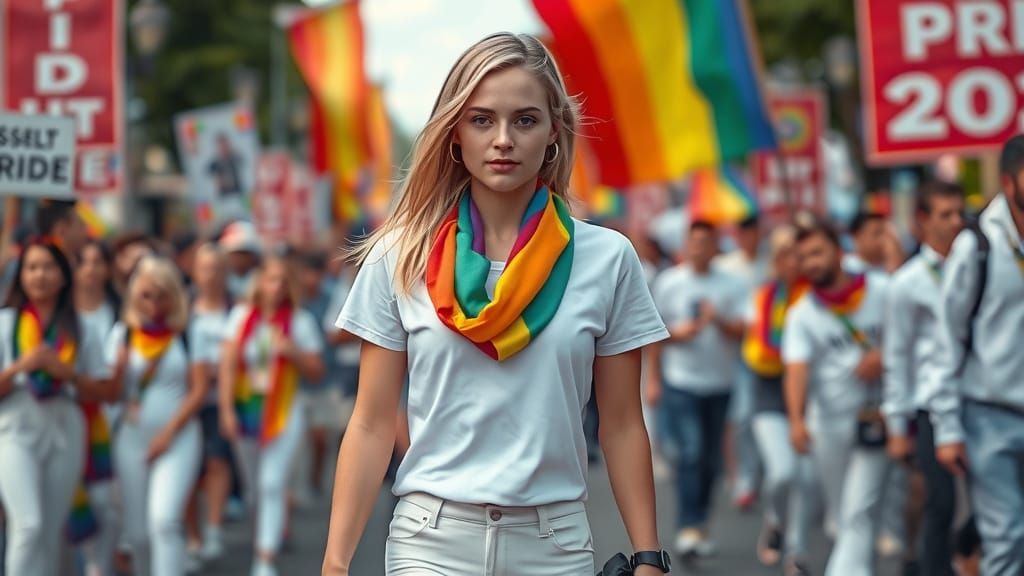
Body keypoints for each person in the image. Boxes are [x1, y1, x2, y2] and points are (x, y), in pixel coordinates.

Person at [322, 33, 669, 576]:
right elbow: (369, 422)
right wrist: (336, 562)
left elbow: (623, 423)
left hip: (555, 544)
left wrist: (648, 556)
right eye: (482, 119)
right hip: (428, 541)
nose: (503, 139)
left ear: (554, 130)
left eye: (525, 120)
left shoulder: (608, 258)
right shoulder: (400, 254)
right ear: (454, 133)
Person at [930, 134, 1024, 576]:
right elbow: (945, 341)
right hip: (990, 417)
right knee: (1004, 537)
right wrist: (947, 427)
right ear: (1008, 183)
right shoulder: (978, 246)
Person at [783, 221, 890, 576]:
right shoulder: (801, 313)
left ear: (839, 252)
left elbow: (914, 340)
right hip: (828, 427)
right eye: (803, 258)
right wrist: (797, 421)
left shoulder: (883, 290)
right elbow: (796, 370)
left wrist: (884, 356)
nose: (810, 263)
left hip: (879, 420)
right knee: (845, 516)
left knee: (859, 509)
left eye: (817, 252)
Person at [0, 237, 108, 576]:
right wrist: (21, 366)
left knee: (50, 531)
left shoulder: (81, 327)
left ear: (63, 276)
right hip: (15, 426)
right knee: (28, 524)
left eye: (48, 267)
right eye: (31, 268)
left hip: (64, 425)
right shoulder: (6, 323)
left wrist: (68, 374)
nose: (39, 276)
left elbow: (102, 389)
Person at [219, 255, 324, 576]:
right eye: (270, 279)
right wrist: (226, 411)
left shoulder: (300, 321)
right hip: (247, 407)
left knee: (272, 482)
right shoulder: (240, 317)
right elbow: (227, 365)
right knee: (253, 487)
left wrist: (292, 352)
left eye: (281, 280)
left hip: (284, 409)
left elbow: (317, 371)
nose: (275, 287)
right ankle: (263, 536)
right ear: (260, 282)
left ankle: (264, 559)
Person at [882, 180, 964, 576]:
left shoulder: (977, 267)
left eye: (958, 213)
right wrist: (897, 424)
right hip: (930, 405)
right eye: (944, 214)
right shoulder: (907, 283)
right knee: (940, 502)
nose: (955, 222)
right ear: (923, 220)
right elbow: (897, 356)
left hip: (980, 398)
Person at [649, 220, 745, 558]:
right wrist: (654, 378)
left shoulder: (732, 284)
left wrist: (716, 319)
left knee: (710, 460)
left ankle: (701, 521)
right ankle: (688, 525)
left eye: (707, 241)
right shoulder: (670, 282)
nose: (700, 248)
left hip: (720, 382)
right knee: (690, 451)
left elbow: (743, 331)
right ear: (687, 244)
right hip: (681, 381)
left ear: (716, 245)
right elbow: (654, 331)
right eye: (695, 241)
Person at [107, 256, 205, 576]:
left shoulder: (189, 332)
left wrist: (169, 433)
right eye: (146, 295)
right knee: (136, 533)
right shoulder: (122, 335)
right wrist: (119, 370)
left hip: (178, 438)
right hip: (132, 438)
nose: (153, 303)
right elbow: (111, 393)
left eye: (161, 294)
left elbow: (199, 390)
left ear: (173, 295)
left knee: (164, 521)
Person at [744, 227, 815, 576]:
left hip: (811, 396)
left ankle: (796, 551)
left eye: (800, 255)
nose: (795, 262)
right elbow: (758, 352)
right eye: (788, 254)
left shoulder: (816, 297)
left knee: (806, 478)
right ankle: (774, 519)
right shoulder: (764, 296)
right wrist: (796, 351)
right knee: (783, 472)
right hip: (770, 394)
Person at [182, 243, 233, 569]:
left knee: (217, 462)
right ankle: (193, 536)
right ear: (194, 271)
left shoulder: (236, 309)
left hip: (222, 402)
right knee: (189, 472)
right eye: (204, 267)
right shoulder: (183, 309)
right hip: (186, 402)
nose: (210, 274)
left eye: (216, 267)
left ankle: (212, 528)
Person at [74, 239, 122, 576]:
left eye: (98, 261)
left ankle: (98, 566)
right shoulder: (63, 315)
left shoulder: (119, 314)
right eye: (84, 261)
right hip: (73, 418)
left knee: (106, 502)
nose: (91, 269)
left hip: (113, 421)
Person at [715, 215, 769, 511]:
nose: (751, 239)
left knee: (761, 416)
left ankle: (760, 472)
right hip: (734, 351)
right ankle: (743, 477)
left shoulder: (771, 264)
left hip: (769, 352)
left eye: (755, 233)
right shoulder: (726, 268)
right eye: (745, 233)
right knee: (741, 417)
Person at [218, 221, 262, 302]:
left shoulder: (262, 281)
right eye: (232, 254)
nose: (236, 258)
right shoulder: (221, 280)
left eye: (241, 253)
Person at [35, 199, 89, 263]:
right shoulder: (44, 265)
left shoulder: (79, 264)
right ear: (62, 229)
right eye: (81, 224)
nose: (86, 229)